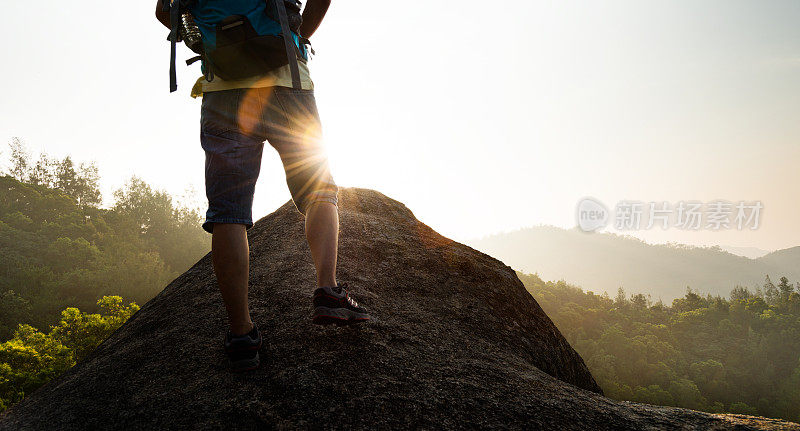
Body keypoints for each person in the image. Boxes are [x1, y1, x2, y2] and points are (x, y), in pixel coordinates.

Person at [156, 0, 370, 372]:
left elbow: (164, 10)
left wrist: (204, 41)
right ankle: (328, 290)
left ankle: (242, 335)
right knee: (318, 186)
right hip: (286, 79)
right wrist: (299, 35)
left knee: (228, 214)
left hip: (223, 88)